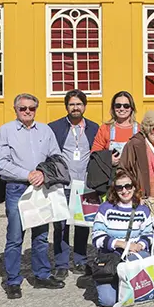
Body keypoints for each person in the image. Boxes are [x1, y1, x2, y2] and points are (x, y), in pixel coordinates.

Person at [0, 93, 64, 299]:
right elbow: (2, 164)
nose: (27, 111)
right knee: (15, 237)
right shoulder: (5, 131)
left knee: (41, 236)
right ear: (15, 109)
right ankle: (13, 280)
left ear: (36, 109)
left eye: (31, 108)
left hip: (41, 187)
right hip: (17, 187)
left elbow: (55, 156)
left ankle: (42, 275)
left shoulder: (45, 130)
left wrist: (43, 173)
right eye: (23, 108)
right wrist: (27, 174)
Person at [48, 89, 100, 277]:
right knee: (61, 225)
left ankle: (80, 260)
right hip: (63, 184)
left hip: (85, 184)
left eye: (79, 104)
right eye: (72, 104)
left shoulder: (94, 128)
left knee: (82, 224)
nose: (75, 107)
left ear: (84, 106)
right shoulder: (54, 128)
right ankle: (61, 264)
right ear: (66, 107)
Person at [91, 169, 154, 307]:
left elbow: (149, 234)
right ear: (115, 189)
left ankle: (126, 285)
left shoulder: (142, 210)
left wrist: (140, 245)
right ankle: (111, 283)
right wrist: (121, 244)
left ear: (134, 187)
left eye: (128, 186)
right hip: (111, 257)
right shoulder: (105, 208)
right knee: (107, 301)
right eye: (120, 187)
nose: (124, 191)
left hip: (133, 256)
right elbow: (97, 237)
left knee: (137, 294)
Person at [91, 90, 139, 166]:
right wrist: (108, 159)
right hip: (111, 174)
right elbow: (95, 153)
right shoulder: (105, 128)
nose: (122, 109)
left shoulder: (140, 130)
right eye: (118, 105)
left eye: (126, 106)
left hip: (134, 174)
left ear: (132, 108)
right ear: (113, 108)